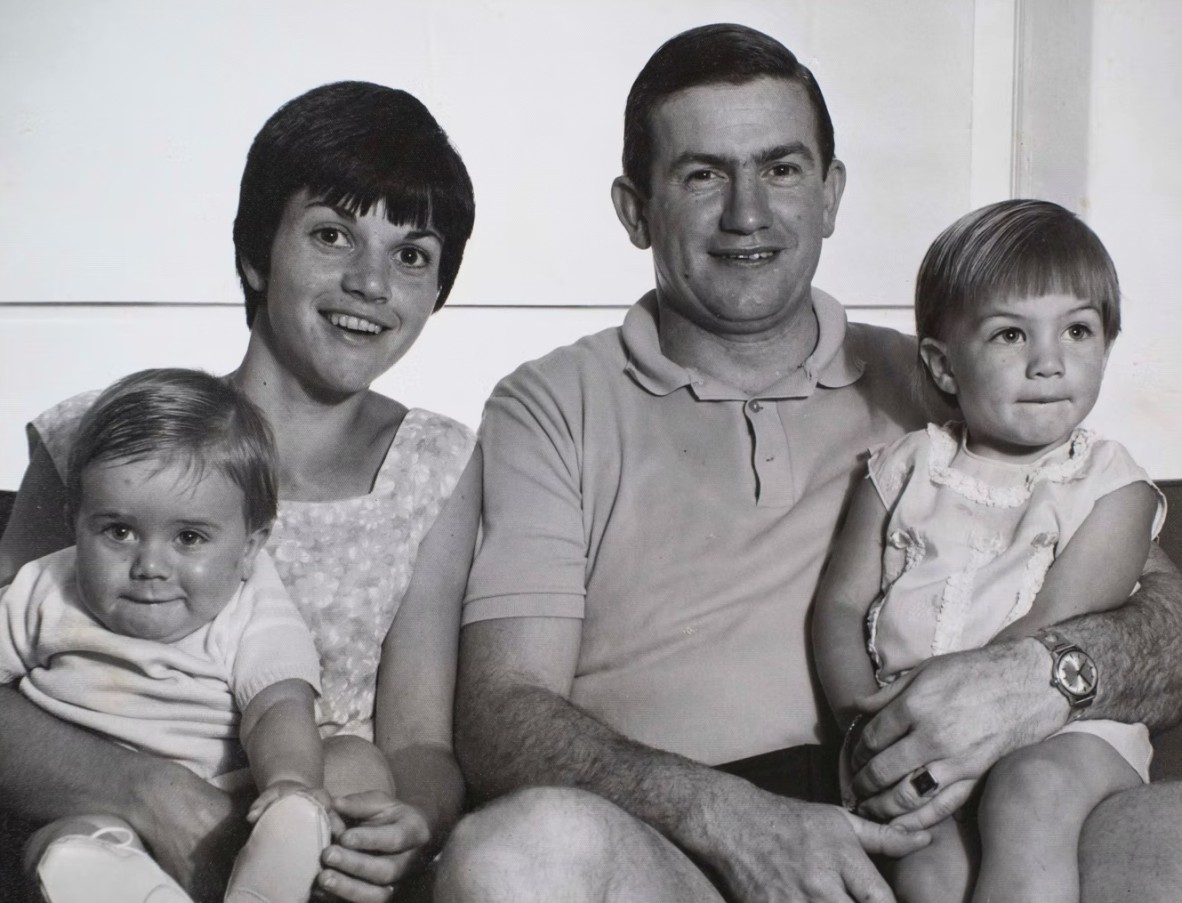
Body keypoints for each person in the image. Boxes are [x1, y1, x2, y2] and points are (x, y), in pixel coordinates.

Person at [434, 23, 1182, 903]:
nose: (748, 212)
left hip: (941, 819)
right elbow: (501, 712)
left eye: (781, 169)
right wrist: (733, 819)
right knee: (519, 850)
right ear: (636, 210)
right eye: (703, 173)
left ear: (829, 194)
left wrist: (1036, 677)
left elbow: (1162, 618)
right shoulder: (553, 402)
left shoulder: (956, 376)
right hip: (684, 851)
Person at [0, 80, 479, 903]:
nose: (372, 281)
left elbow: (419, 741)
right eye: (333, 235)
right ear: (256, 251)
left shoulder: (434, 463)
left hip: (313, 846)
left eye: (411, 255)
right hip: (103, 818)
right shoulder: (99, 439)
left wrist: (414, 821)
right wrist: (148, 793)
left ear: (437, 290)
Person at [813, 200, 1164, 903]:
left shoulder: (1110, 485)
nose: (1049, 361)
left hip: (1061, 728)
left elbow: (1056, 619)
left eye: (1078, 329)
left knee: (1027, 796)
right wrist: (862, 722)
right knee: (924, 858)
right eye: (1010, 334)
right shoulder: (906, 468)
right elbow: (839, 604)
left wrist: (963, 720)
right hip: (916, 730)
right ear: (944, 367)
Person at [8, 368, 332, 903]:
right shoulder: (43, 586)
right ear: (75, 521)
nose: (150, 565)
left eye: (188, 537)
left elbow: (278, 704)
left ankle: (273, 868)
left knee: (350, 763)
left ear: (250, 547)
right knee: (62, 846)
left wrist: (288, 783)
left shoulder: (251, 600)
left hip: (231, 796)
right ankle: (126, 889)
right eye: (119, 531)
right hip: (89, 799)